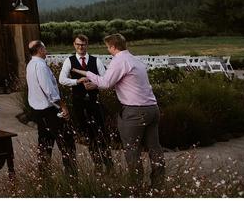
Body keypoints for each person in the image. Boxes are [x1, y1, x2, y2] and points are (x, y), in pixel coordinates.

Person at [74, 33, 164, 188]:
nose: (108, 50)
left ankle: (136, 188)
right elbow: (124, 82)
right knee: (155, 148)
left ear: (113, 47)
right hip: (152, 109)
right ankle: (158, 185)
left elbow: (106, 82)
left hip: (135, 112)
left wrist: (86, 73)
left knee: (132, 150)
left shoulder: (119, 60)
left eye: (108, 47)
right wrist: (97, 84)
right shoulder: (135, 60)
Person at [59, 33, 112, 169]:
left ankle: (109, 164)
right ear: (74, 45)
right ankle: (98, 165)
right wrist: (77, 81)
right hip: (79, 103)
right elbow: (62, 79)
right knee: (88, 135)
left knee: (101, 133)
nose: (80, 47)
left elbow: (106, 80)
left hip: (95, 102)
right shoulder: (69, 61)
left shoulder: (96, 61)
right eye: (77, 44)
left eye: (83, 44)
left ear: (87, 45)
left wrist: (95, 85)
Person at [26, 40, 77, 176]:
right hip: (50, 110)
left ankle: (44, 175)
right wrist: (62, 106)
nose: (46, 49)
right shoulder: (40, 66)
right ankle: (72, 175)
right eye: (44, 47)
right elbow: (48, 90)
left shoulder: (30, 64)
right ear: (40, 49)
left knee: (45, 142)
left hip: (37, 111)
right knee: (67, 141)